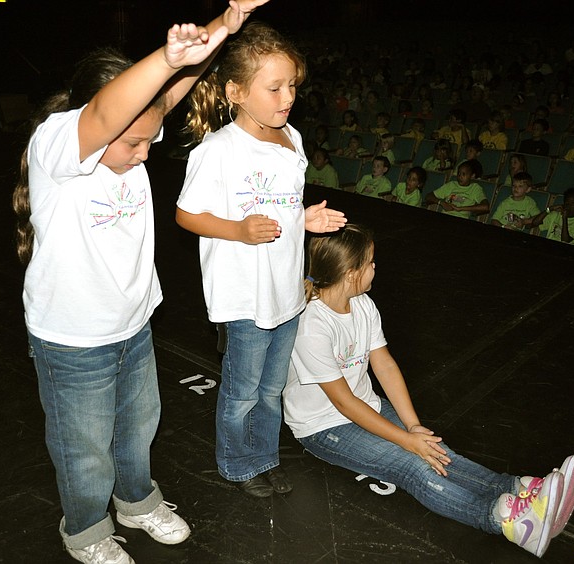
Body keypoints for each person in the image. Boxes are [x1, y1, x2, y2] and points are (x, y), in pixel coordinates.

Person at [11, 3, 266, 562]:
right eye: (133, 145)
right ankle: (85, 531)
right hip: (74, 340)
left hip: (132, 324)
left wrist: (226, 23)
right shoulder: (59, 142)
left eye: (150, 141)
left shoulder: (133, 130)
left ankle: (135, 501)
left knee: (136, 429)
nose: (144, 153)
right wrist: (166, 57)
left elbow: (163, 97)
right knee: (84, 452)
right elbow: (109, 110)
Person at [282, 224, 574, 559]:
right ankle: (509, 521)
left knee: (436, 450)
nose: (375, 268)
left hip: (364, 405)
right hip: (323, 427)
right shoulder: (312, 324)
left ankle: (518, 489)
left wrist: (414, 428)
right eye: (370, 263)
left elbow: (384, 365)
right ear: (351, 273)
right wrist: (404, 441)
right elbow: (343, 402)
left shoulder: (364, 305)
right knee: (412, 466)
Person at [176, 20, 347, 499]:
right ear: (235, 91)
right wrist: (236, 229)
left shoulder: (291, 139)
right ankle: (237, 464)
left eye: (291, 85)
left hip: (286, 291)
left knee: (272, 391)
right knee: (241, 393)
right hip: (244, 295)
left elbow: (282, 205)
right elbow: (186, 214)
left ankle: (264, 458)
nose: (286, 96)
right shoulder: (219, 150)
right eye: (273, 87)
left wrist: (302, 218)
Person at [424, 160, 489, 220]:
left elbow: (486, 207)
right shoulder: (451, 185)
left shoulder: (475, 188)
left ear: (472, 176)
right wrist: (442, 203)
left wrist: (460, 209)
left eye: (464, 174)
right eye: (459, 174)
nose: (460, 177)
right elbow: (428, 196)